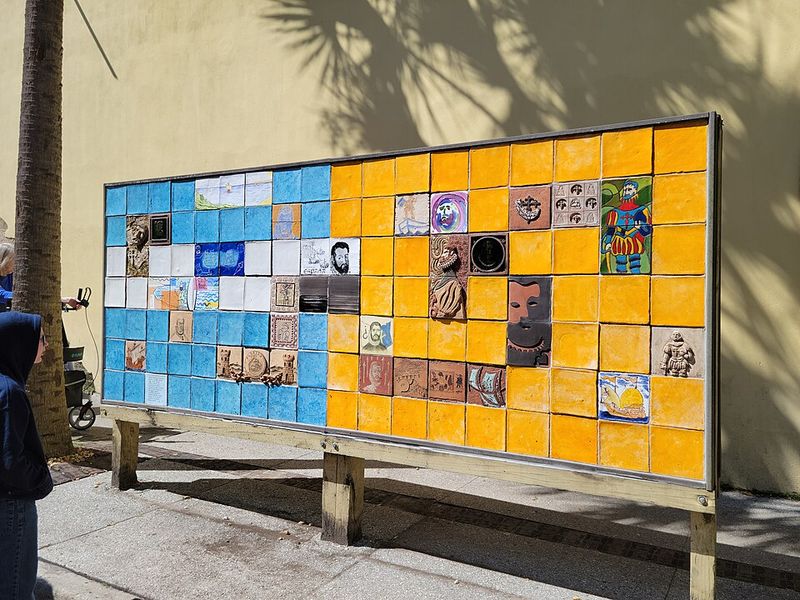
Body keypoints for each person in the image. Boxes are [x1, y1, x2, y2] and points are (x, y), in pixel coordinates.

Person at [0, 311, 54, 599]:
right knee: (15, 587)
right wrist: (41, 479)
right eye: (41, 339)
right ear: (18, 343)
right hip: (12, 504)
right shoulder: (10, 392)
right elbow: (11, 460)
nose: (46, 346)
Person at [0, 242, 82, 312]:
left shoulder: (11, 275)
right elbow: (5, 295)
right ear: (4, 261)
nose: (15, 266)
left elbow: (26, 293)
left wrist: (63, 302)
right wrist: (62, 300)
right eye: (12, 262)